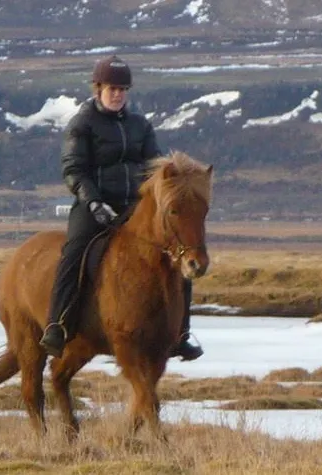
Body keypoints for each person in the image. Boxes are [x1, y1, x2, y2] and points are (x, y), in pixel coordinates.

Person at [39, 55, 202, 361]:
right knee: (73, 253)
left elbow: (154, 167)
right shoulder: (83, 123)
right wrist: (94, 201)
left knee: (179, 255)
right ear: (98, 88)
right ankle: (58, 325)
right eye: (112, 88)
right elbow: (73, 168)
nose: (117, 94)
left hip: (134, 208)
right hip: (93, 205)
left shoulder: (140, 124)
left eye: (123, 89)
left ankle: (181, 333)